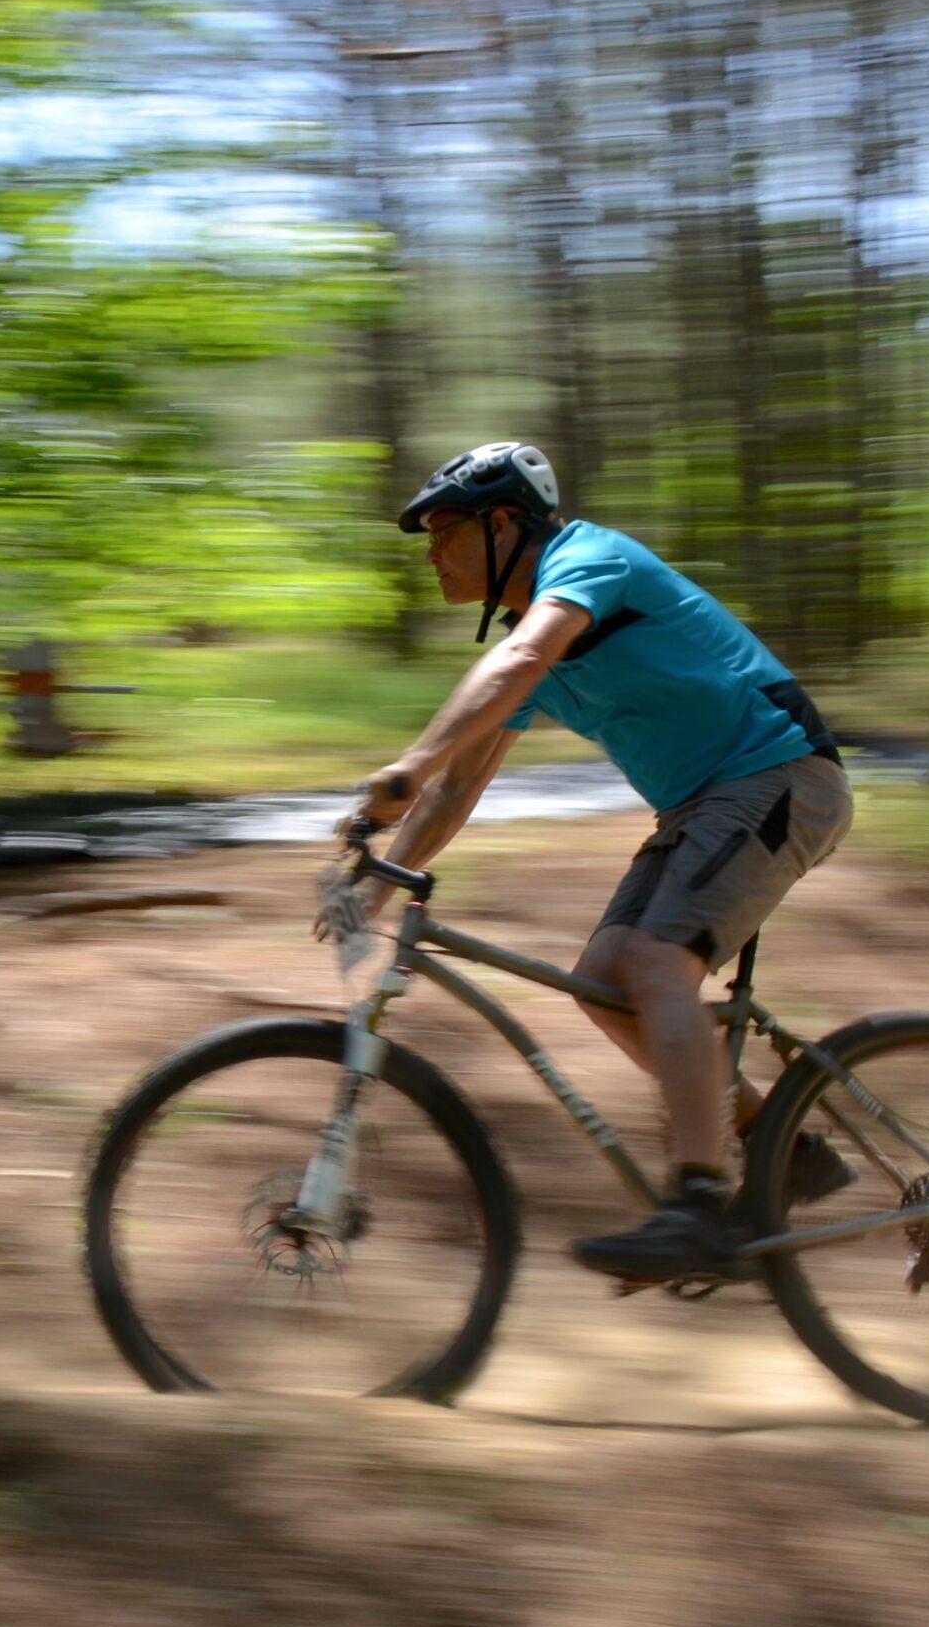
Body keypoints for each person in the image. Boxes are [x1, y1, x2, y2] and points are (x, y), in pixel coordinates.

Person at [347, 441, 854, 1281]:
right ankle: (782, 1147)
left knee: (657, 964)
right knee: (607, 981)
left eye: (443, 532)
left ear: (504, 523)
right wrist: (381, 878)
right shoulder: (534, 632)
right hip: (703, 807)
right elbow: (460, 786)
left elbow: (515, 666)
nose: (430, 553)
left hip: (778, 775)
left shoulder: (588, 562)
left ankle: (697, 1206)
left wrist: (406, 763)